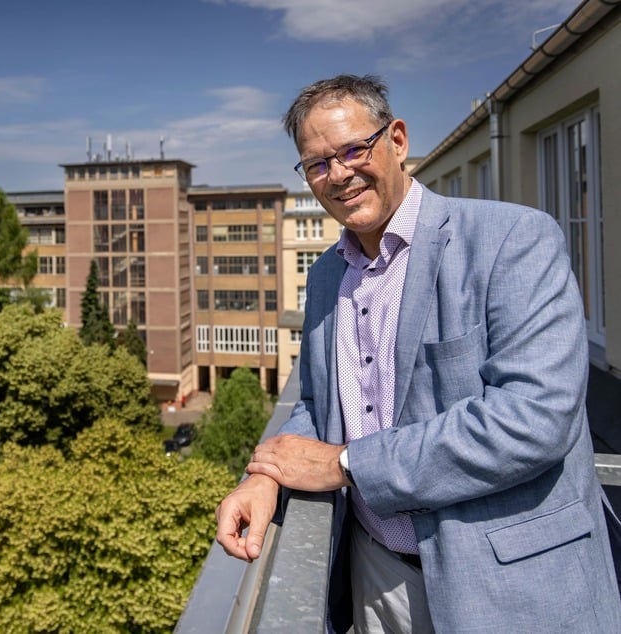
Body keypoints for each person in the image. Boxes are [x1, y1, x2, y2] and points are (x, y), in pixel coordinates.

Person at [215, 74, 621, 633]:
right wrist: (264, 475)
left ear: (397, 140)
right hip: (374, 579)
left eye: (353, 149)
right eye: (317, 163)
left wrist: (343, 465)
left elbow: (533, 420)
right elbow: (315, 402)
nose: (338, 174)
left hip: (511, 589)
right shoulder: (328, 273)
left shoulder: (512, 240)